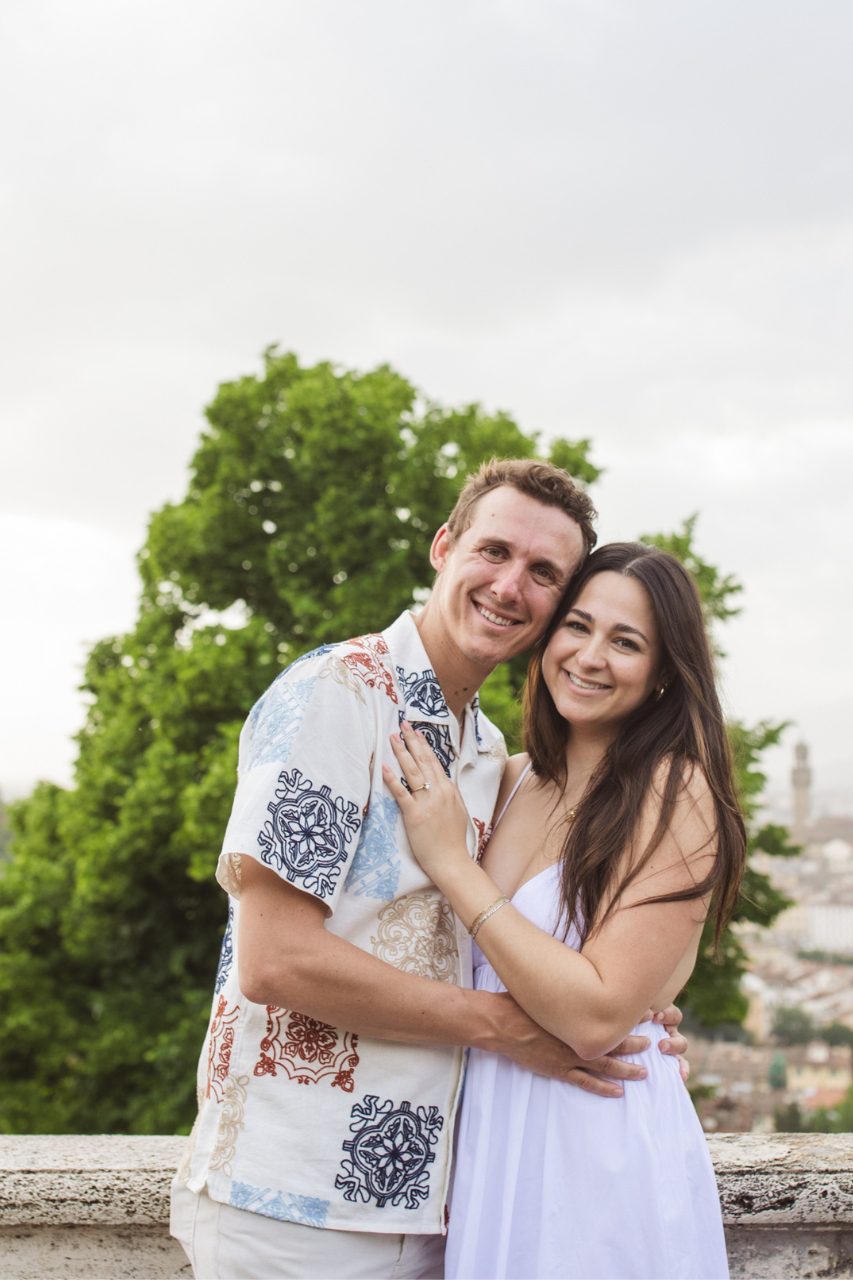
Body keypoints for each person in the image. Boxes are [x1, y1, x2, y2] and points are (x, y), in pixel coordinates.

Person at [170, 463, 688, 1280]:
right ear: (443, 547)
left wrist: (636, 1004)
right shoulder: (337, 693)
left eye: (543, 573)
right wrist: (508, 1027)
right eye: (493, 551)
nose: (510, 586)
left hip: (433, 1204)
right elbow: (274, 959)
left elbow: (512, 931)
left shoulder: (484, 753)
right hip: (294, 1202)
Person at [386, 542, 745, 1280]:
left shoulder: (672, 792)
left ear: (661, 674)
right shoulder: (504, 778)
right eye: (576, 626)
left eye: (625, 642)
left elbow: (593, 1016)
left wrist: (452, 864)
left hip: (595, 1146)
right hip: (489, 1140)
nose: (588, 656)